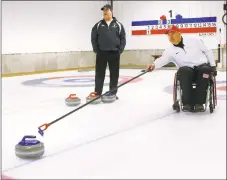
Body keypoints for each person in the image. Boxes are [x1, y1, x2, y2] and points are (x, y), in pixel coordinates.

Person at [147, 25, 217, 112]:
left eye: (172, 33)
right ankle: (187, 103)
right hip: (187, 71)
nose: (170, 37)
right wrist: (154, 65)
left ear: (179, 33)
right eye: (168, 35)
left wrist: (213, 66)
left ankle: (199, 103)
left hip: (202, 66)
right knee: (183, 71)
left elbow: (207, 51)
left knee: (206, 71)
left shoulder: (194, 40)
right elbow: (162, 60)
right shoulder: (170, 50)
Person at [90, 4, 126, 100]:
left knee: (114, 74)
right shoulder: (98, 25)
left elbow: (123, 38)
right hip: (101, 53)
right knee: (99, 74)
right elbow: (93, 38)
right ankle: (97, 93)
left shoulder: (118, 25)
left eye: (107, 10)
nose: (105, 12)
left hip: (114, 53)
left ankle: (113, 93)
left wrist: (120, 50)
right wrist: (96, 49)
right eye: (104, 10)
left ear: (111, 11)